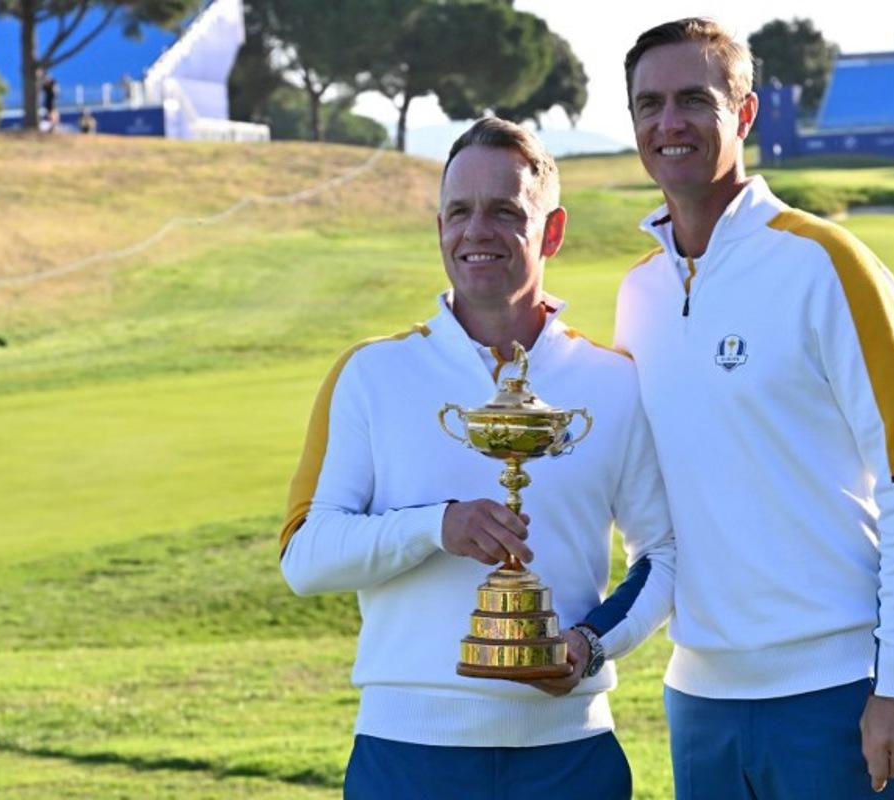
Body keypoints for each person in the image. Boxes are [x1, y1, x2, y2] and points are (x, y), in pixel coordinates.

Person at [278, 117, 675, 800]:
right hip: (408, 759)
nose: (477, 231)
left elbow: (662, 555)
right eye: (459, 212)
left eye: (504, 211)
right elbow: (305, 557)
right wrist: (437, 527)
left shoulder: (614, 380)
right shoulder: (372, 374)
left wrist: (587, 646)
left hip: (569, 756)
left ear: (551, 231)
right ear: (439, 229)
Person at [614, 18, 894, 799]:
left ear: (745, 111)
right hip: (699, 699)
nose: (669, 123)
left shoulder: (829, 265)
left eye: (694, 99)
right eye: (649, 104)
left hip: (836, 694)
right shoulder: (639, 294)